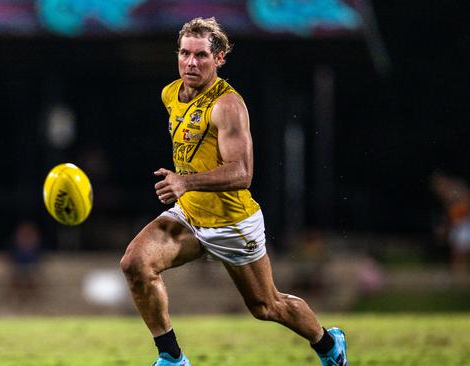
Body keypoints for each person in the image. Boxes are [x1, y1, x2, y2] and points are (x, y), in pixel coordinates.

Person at [120, 18, 347, 366]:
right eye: (184, 53)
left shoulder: (227, 105)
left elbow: (242, 173)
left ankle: (328, 343)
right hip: (191, 215)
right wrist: (187, 187)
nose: (191, 62)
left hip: (232, 223)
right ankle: (172, 357)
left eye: (201, 55)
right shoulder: (170, 93)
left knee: (267, 307)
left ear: (220, 58)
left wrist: (186, 181)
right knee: (135, 263)